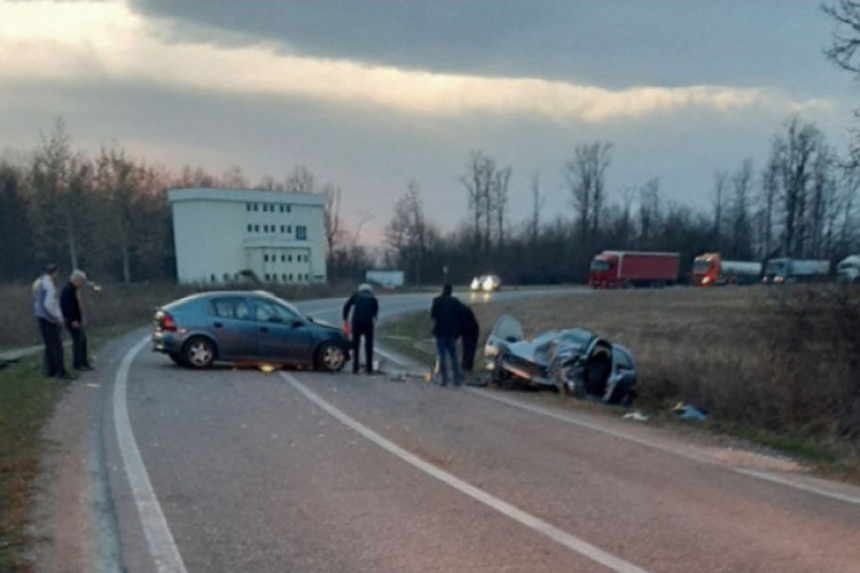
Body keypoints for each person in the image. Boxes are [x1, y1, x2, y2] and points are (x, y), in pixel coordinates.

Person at [32, 264, 73, 380]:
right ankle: (60, 371)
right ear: (53, 273)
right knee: (56, 347)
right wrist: (58, 317)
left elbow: (36, 301)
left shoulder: (39, 283)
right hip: (49, 320)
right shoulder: (49, 286)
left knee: (49, 346)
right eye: (56, 273)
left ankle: (50, 371)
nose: (57, 276)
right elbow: (49, 304)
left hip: (41, 317)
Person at [60, 269, 93, 371]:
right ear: (76, 280)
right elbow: (67, 307)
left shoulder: (73, 290)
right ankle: (78, 363)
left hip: (76, 320)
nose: (82, 284)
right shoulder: (67, 290)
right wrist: (73, 319)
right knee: (78, 341)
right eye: (81, 281)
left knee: (82, 340)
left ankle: (83, 362)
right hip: (72, 320)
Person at [342, 283, 379, 374]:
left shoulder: (356, 295)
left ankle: (355, 368)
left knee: (355, 345)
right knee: (369, 345)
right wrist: (375, 317)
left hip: (357, 322)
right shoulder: (372, 297)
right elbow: (376, 309)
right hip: (368, 323)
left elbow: (346, 306)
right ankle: (369, 368)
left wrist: (345, 318)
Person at [430, 284, 461, 387]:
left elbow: (433, 316)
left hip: (440, 331)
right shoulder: (455, 302)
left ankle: (444, 379)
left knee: (442, 356)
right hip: (451, 332)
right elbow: (459, 316)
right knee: (453, 356)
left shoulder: (437, 301)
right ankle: (456, 379)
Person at [457, 300, 480, 382]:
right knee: (466, 350)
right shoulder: (462, 309)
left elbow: (462, 324)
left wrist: (456, 334)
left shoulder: (462, 311)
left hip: (472, 331)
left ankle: (467, 369)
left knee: (469, 351)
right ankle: (465, 368)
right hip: (468, 331)